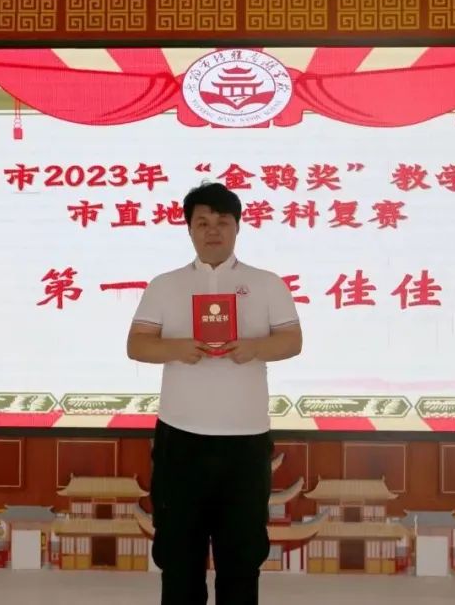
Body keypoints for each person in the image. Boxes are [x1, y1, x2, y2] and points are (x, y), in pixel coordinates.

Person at [127, 181, 303, 605]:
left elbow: (292, 340)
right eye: (202, 222)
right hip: (180, 440)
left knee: (241, 559)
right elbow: (137, 345)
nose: (212, 230)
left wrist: (255, 348)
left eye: (222, 221)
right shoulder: (165, 285)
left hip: (245, 442)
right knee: (179, 559)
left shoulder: (266, 284)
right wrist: (178, 349)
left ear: (238, 227)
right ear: (189, 229)